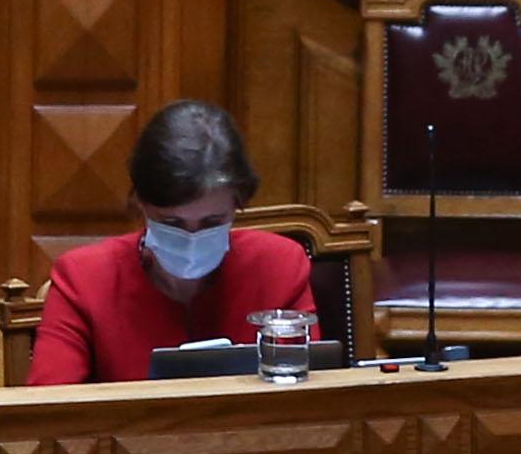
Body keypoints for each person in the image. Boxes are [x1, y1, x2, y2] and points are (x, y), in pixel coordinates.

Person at [24, 100, 320, 385]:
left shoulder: (279, 267)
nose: (192, 239)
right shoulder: (83, 279)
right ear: (141, 203)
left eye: (212, 222)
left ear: (237, 204)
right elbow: (49, 414)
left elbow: (312, 399)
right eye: (172, 224)